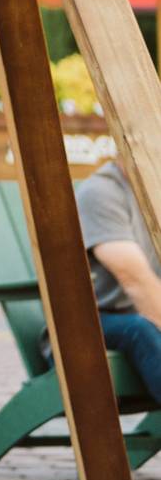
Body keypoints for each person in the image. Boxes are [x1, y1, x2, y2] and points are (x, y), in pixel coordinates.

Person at [75, 159, 161, 399]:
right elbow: (135, 280)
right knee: (141, 328)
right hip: (95, 324)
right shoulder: (102, 193)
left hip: (147, 320)